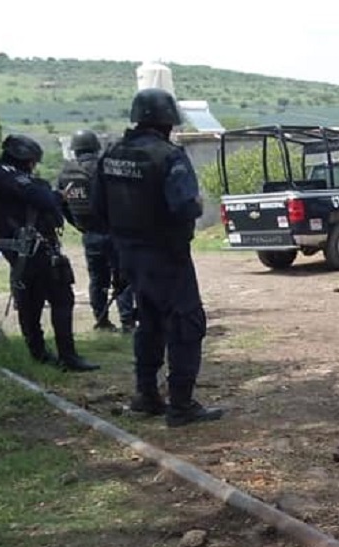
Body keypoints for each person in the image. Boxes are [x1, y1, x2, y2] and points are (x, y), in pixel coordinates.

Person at [92, 87, 223, 427]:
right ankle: (181, 405)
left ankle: (146, 395)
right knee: (186, 324)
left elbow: (97, 209)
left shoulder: (111, 156)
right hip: (166, 256)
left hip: (129, 256)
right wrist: (196, 206)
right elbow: (182, 206)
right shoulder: (168, 157)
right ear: (167, 122)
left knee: (149, 322)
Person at [0, 135, 99, 372]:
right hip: (34, 247)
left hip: (20, 249)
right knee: (61, 298)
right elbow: (43, 199)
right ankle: (67, 356)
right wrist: (56, 196)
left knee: (30, 299)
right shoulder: (8, 175)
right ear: (25, 158)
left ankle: (39, 352)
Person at [57, 129, 136, 333]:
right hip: (113, 232)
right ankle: (127, 321)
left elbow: (62, 205)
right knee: (122, 277)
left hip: (89, 233)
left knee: (97, 279)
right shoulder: (103, 167)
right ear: (95, 147)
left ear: (75, 149)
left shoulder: (66, 174)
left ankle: (101, 321)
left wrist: (79, 226)